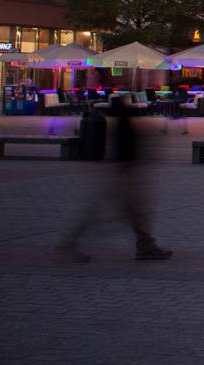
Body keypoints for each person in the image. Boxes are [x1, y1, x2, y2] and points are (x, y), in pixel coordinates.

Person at [59, 97, 173, 262]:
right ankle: (70, 244)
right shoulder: (125, 125)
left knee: (132, 214)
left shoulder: (121, 124)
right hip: (123, 177)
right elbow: (128, 152)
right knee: (111, 216)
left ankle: (145, 245)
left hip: (121, 175)